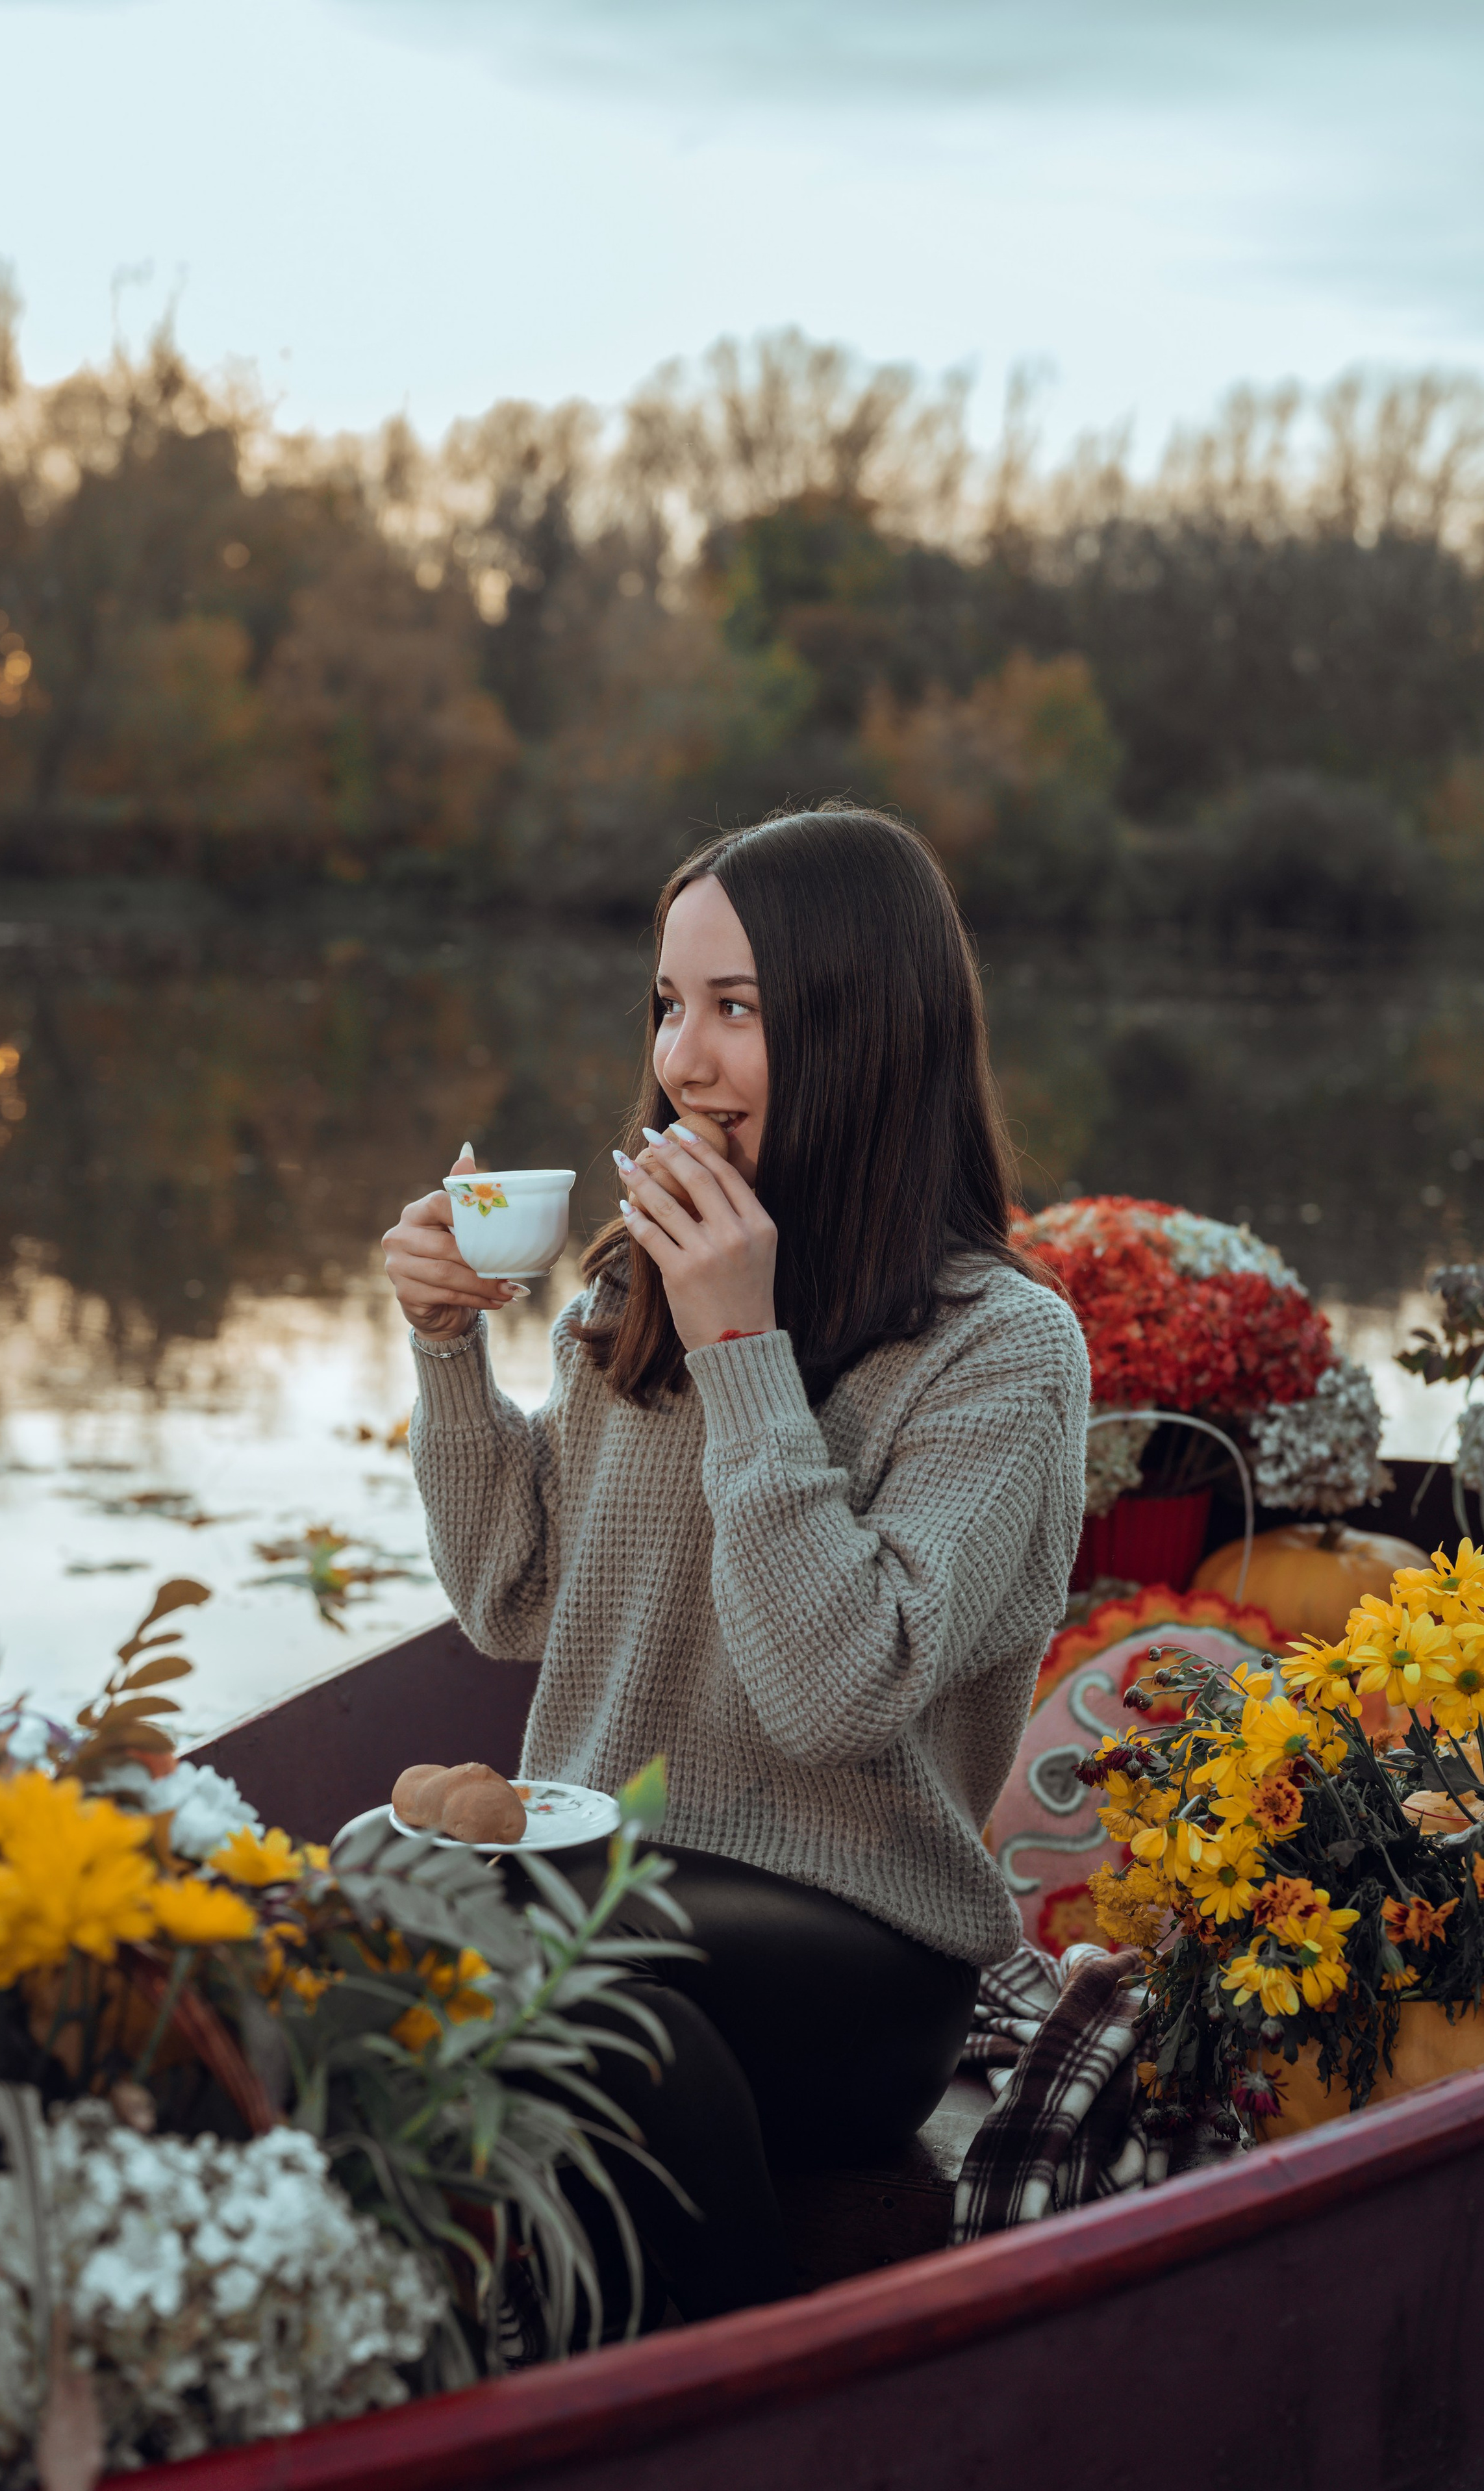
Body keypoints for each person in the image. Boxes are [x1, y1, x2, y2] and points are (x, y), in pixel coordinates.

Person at [381, 807, 1090, 2327]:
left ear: (861, 1029)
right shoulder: (632, 1291)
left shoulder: (998, 1348)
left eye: (734, 1009)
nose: (680, 1061)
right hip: (605, 1886)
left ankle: (716, 2423)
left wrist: (745, 1351)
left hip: (860, 1938)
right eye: (665, 1004)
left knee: (565, 1962)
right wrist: (450, 1355)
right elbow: (511, 1602)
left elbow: (836, 1691)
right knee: (384, 1896)